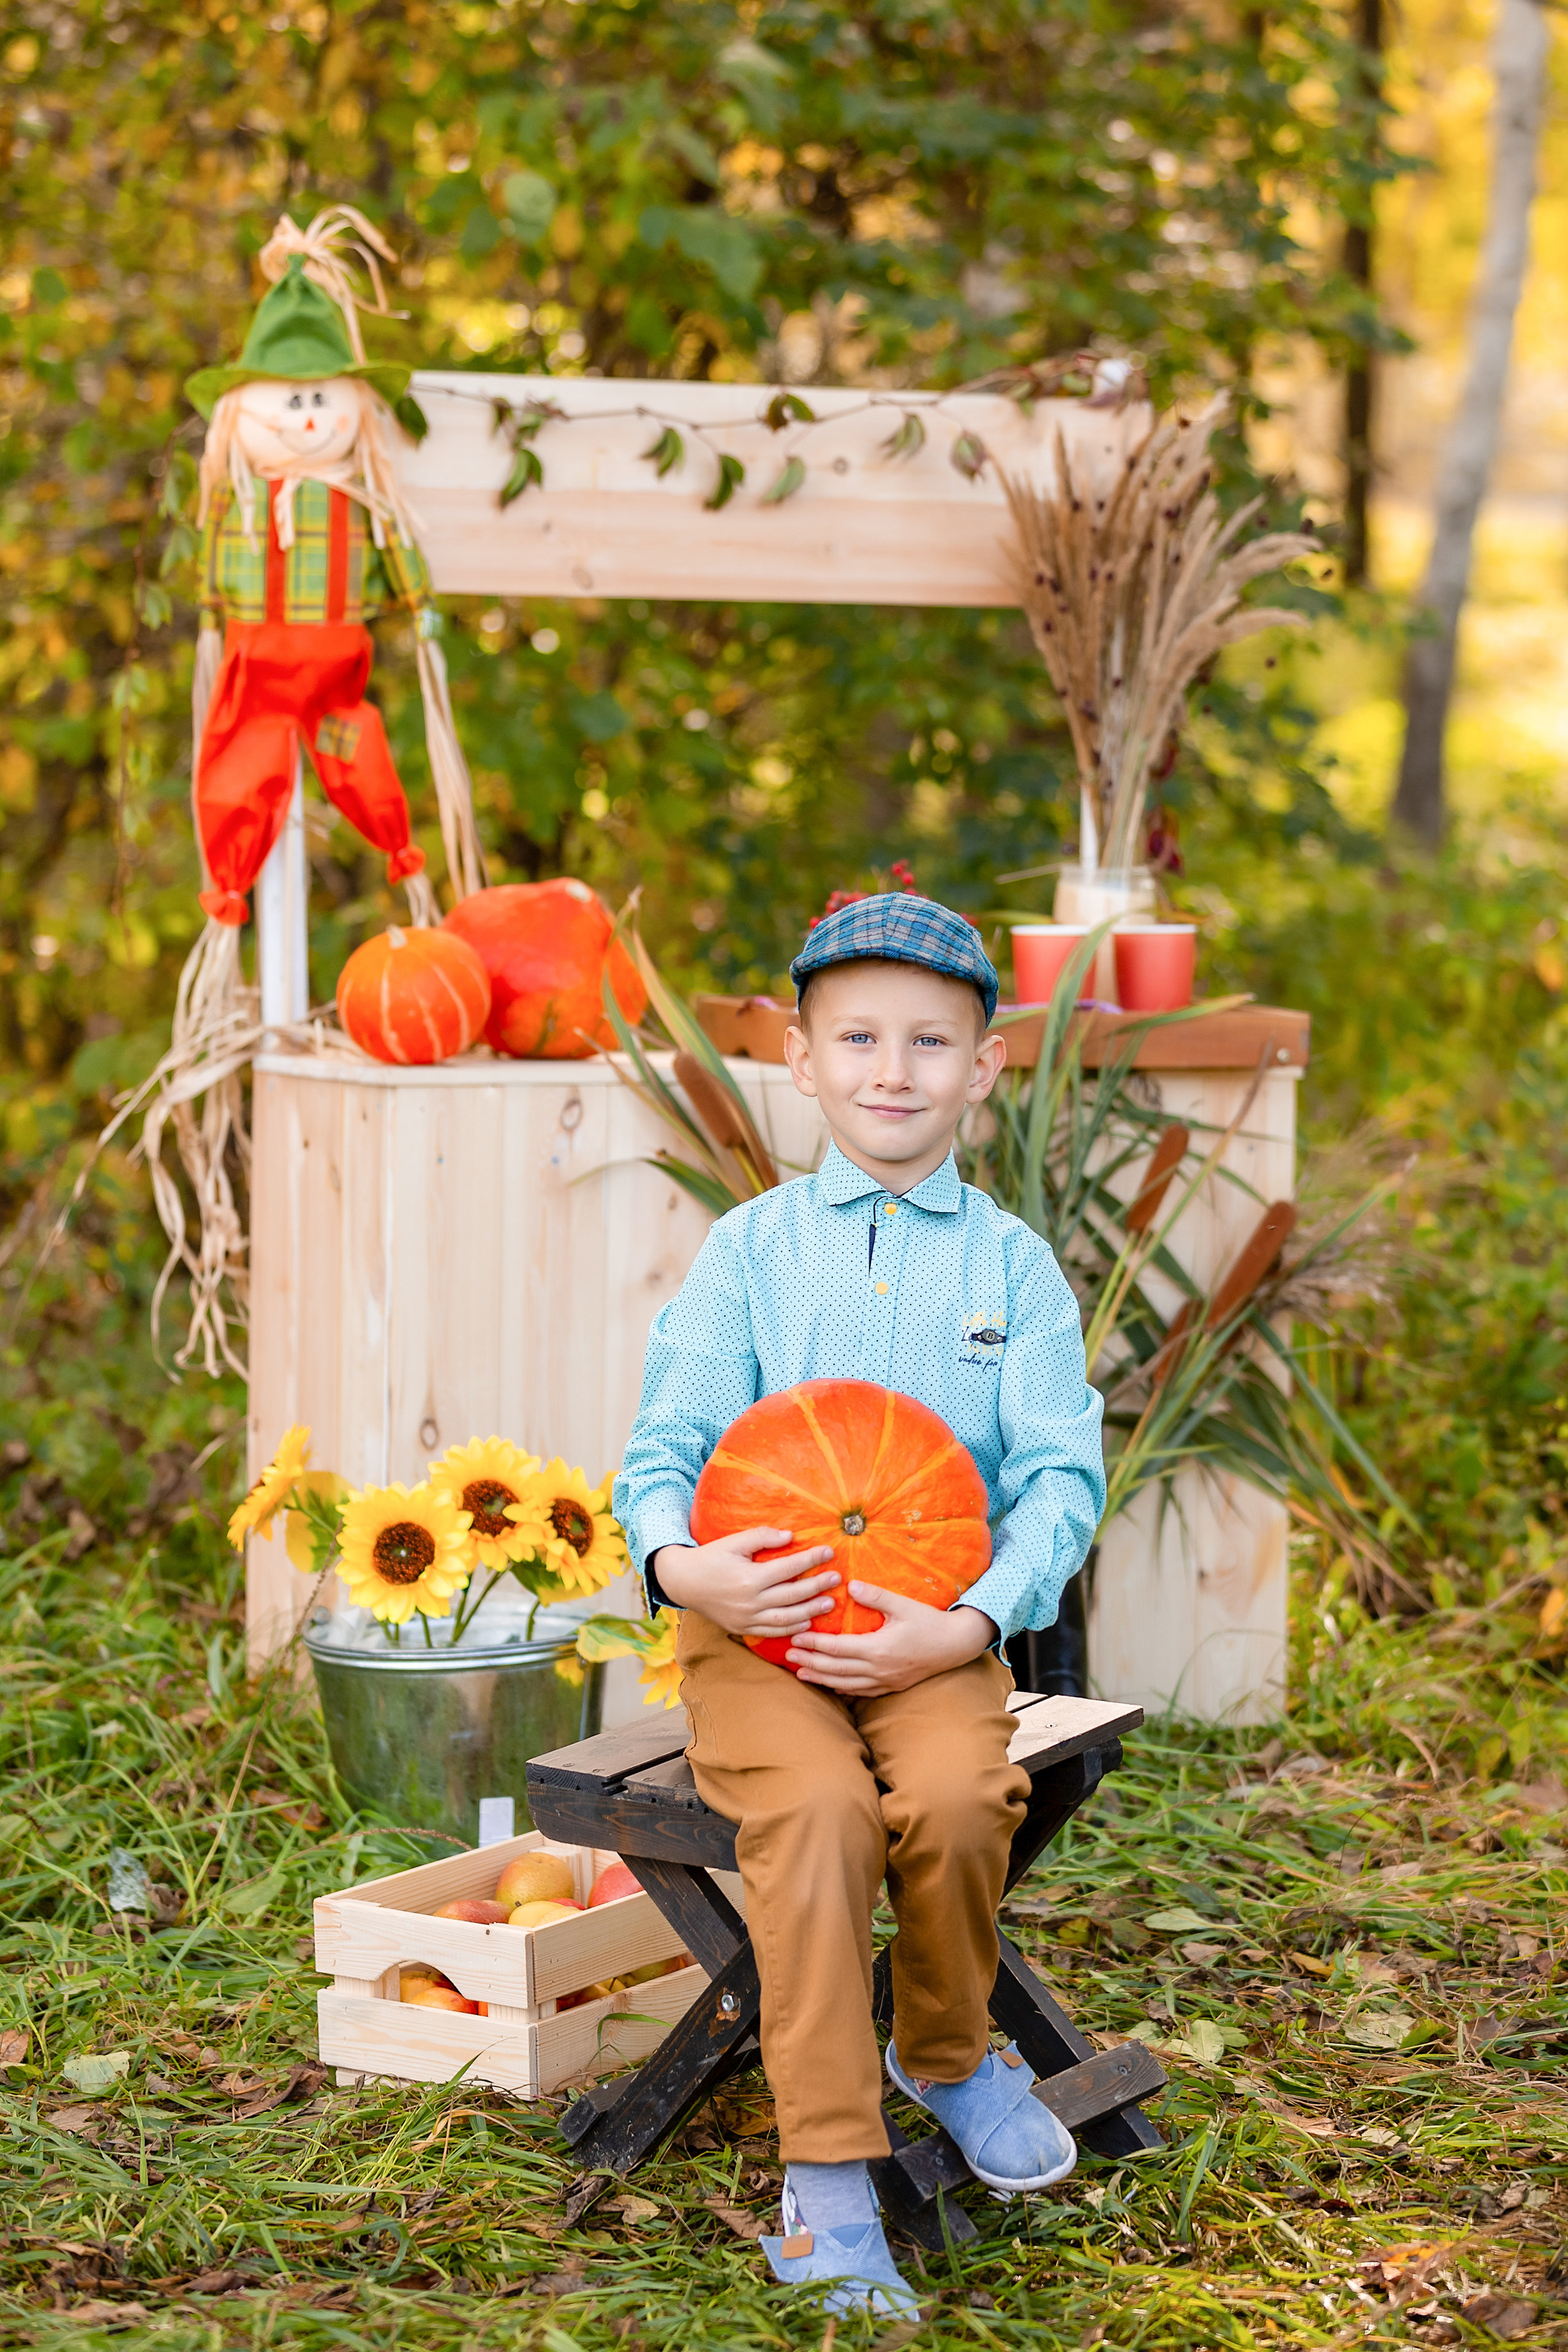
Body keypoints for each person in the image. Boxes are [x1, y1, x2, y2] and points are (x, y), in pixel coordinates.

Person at [614, 894, 1106, 2316]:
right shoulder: (751, 1251)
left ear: (983, 1067)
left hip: (927, 1634)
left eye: (929, 1041)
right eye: (860, 1038)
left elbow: (1061, 1473)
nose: (893, 1069)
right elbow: (665, 1446)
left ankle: (944, 2053)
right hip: (757, 1631)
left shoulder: (1008, 1266)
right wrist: (677, 1565)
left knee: (957, 1800)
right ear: (801, 1058)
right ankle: (826, 2178)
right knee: (817, 1818)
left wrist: (972, 1622)